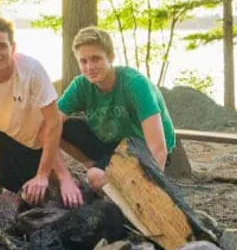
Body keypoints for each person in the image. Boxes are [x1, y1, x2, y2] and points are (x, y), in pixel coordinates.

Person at [0, 16, 84, 208]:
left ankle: (17, 178)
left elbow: (53, 122)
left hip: (29, 137)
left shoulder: (32, 70)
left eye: (2, 46)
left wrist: (46, 175)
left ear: (13, 47)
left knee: (33, 193)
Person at [58, 26, 177, 190]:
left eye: (96, 59)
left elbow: (158, 148)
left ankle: (108, 175)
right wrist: (58, 174)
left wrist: (149, 190)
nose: (89, 67)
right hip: (111, 144)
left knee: (96, 178)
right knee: (62, 128)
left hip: (143, 147)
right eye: (83, 61)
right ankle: (99, 167)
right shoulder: (80, 85)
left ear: (111, 57)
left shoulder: (135, 84)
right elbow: (51, 123)